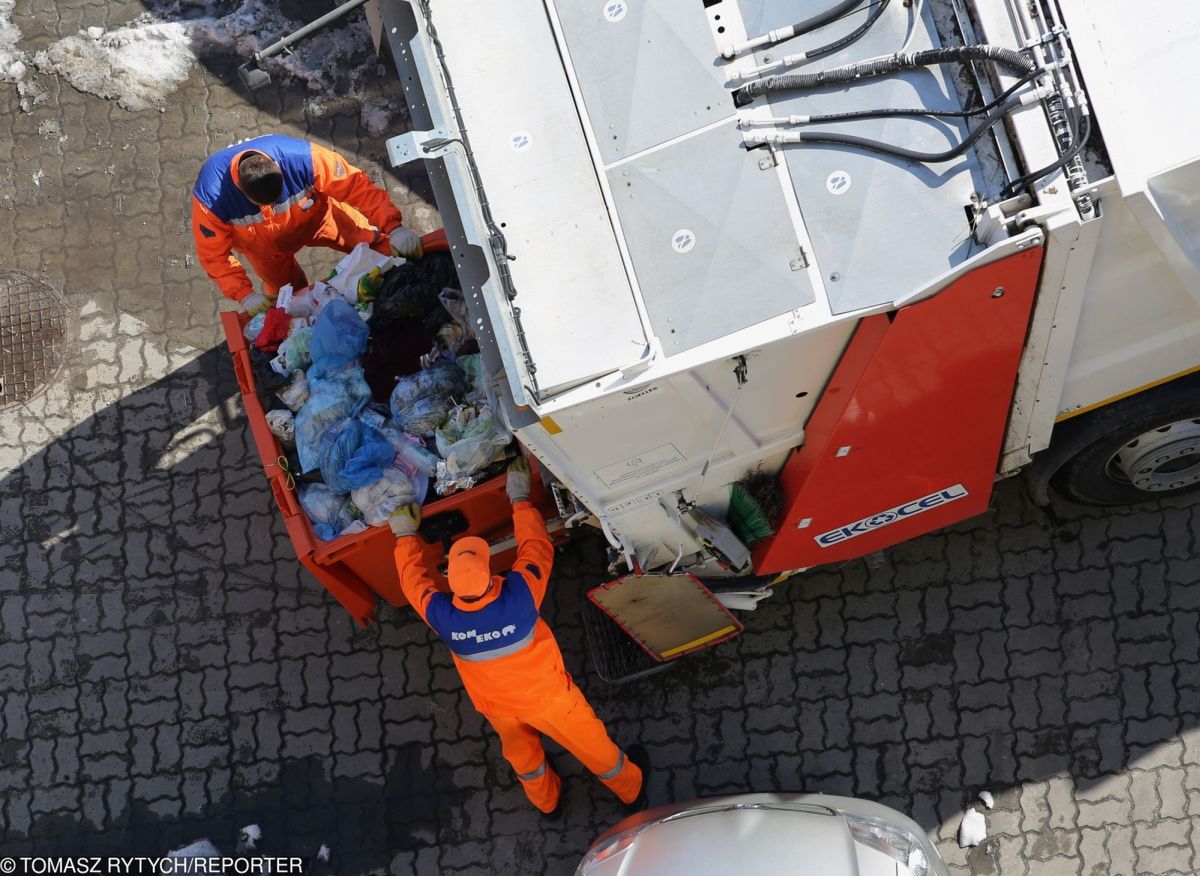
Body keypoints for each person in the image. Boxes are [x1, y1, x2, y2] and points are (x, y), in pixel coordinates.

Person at [389, 458, 648, 817]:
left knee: (523, 756)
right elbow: (536, 548)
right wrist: (519, 498)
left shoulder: (441, 615)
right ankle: (630, 789)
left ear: (452, 585)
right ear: (489, 570)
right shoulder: (520, 595)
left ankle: (547, 803)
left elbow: (413, 583)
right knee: (591, 743)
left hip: (499, 707)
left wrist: (404, 536)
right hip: (548, 699)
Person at [191, 134, 423, 314]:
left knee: (374, 245)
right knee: (288, 301)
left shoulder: (303, 158)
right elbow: (214, 256)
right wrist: (244, 295)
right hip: (266, 252)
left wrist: (394, 228)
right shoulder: (211, 198)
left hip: (319, 220)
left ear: (278, 168)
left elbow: (356, 187)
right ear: (242, 190)